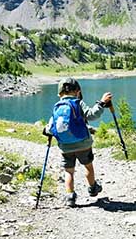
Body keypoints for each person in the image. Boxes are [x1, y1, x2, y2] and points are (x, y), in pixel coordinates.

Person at [44, 77, 112, 207]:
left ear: (59, 94)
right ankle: (93, 188)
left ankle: (70, 196)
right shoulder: (78, 103)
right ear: (78, 92)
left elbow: (50, 126)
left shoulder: (57, 107)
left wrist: (46, 130)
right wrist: (102, 103)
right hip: (83, 144)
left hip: (65, 146)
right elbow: (92, 115)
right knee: (88, 166)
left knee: (69, 171)